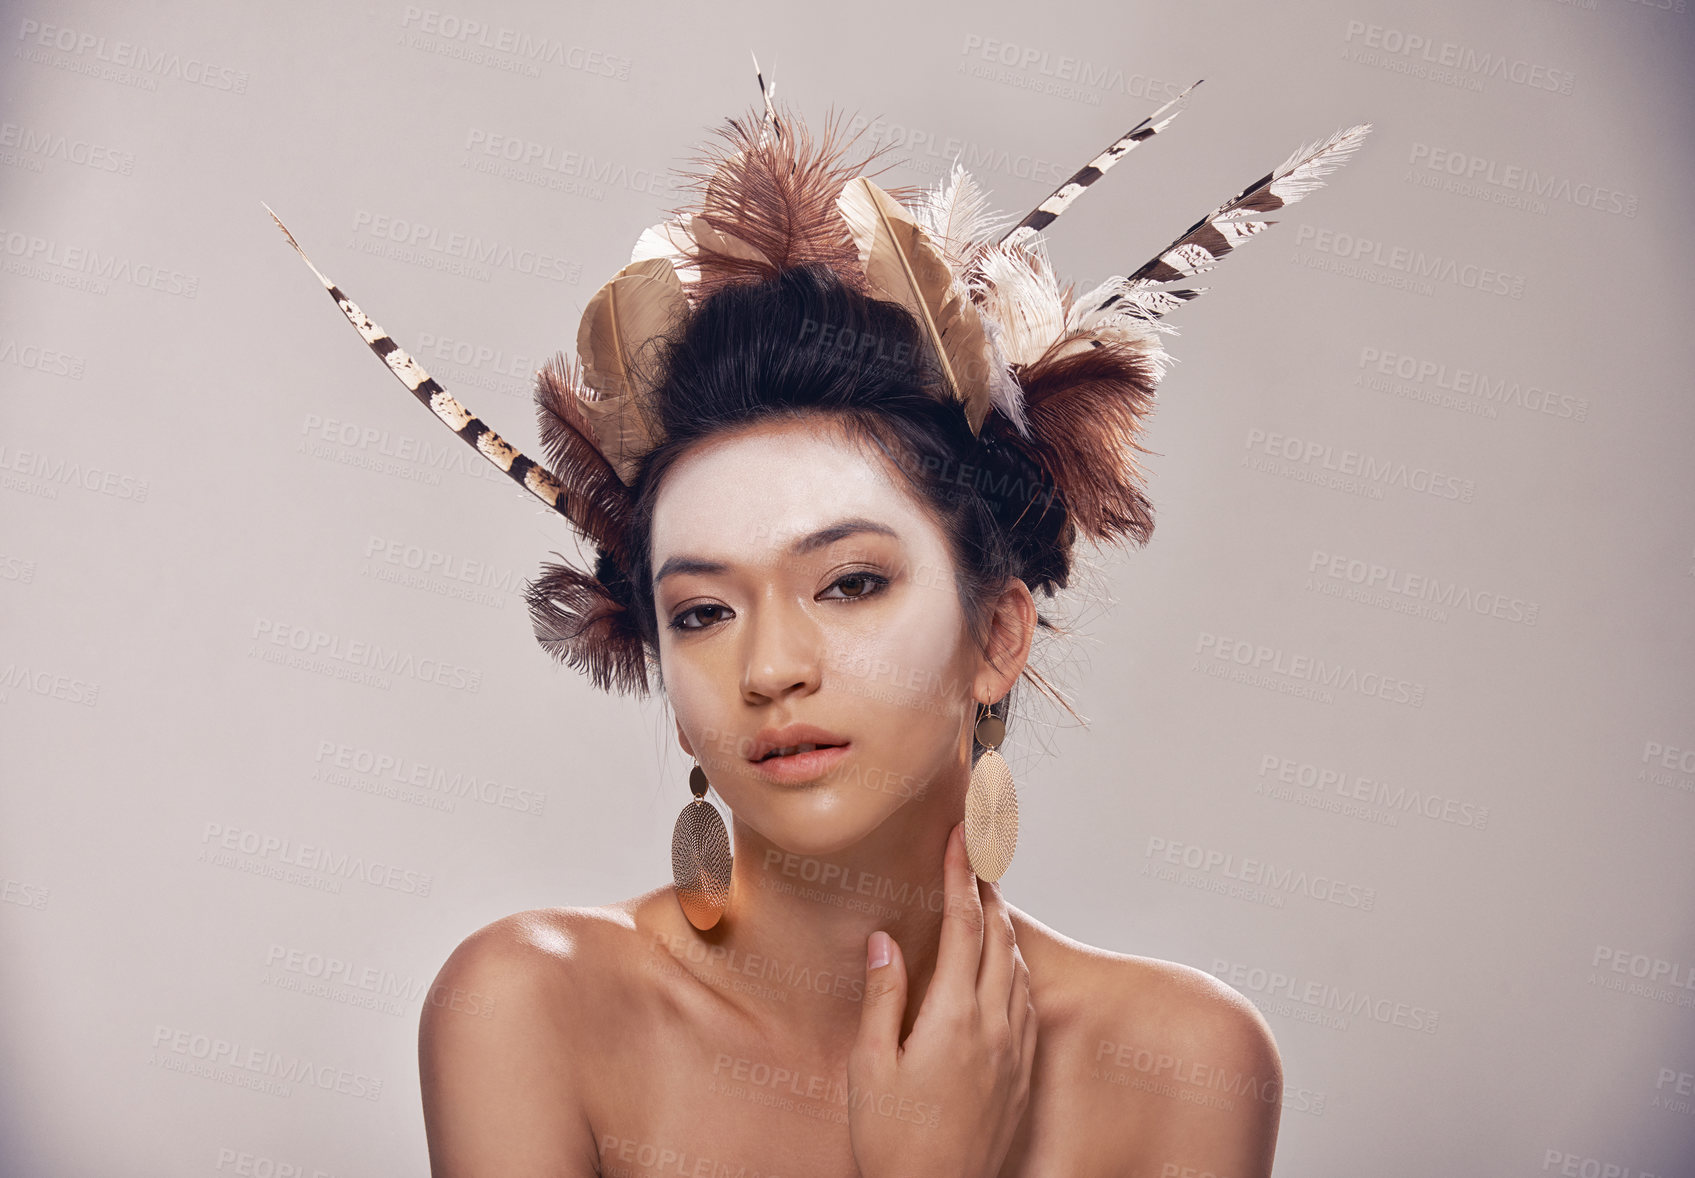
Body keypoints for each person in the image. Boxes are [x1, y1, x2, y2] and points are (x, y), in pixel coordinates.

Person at [271, 80, 1367, 1177]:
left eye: (847, 583)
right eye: (702, 611)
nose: (771, 668)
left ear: (995, 634)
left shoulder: (1181, 1066)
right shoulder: (532, 1009)